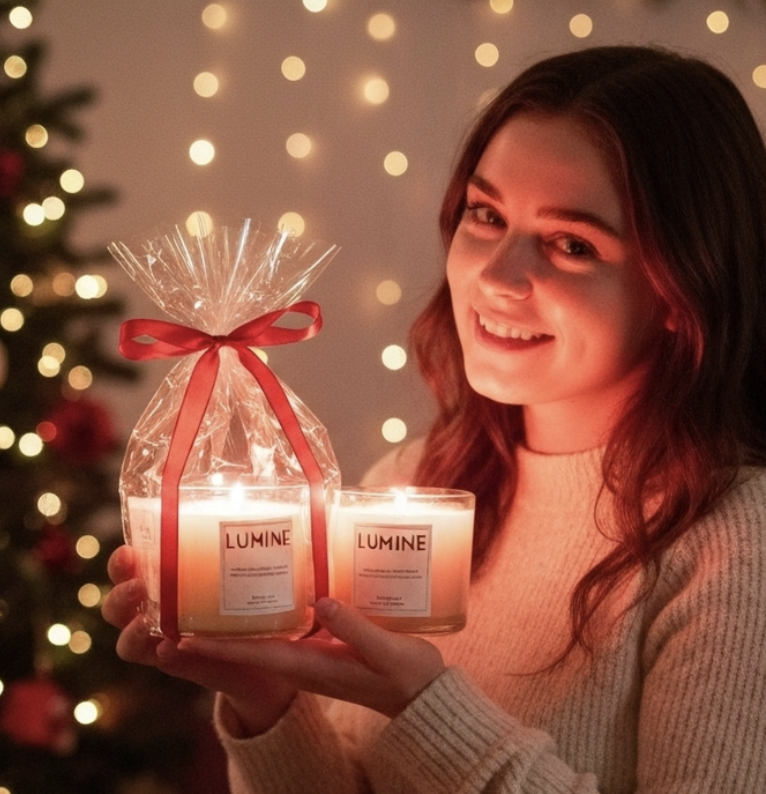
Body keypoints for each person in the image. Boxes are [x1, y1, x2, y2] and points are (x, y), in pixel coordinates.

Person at [103, 45, 766, 793]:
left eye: (571, 245)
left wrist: (423, 706)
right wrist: (267, 698)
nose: (496, 274)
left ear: (682, 292)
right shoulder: (414, 484)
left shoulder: (735, 542)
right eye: (486, 215)